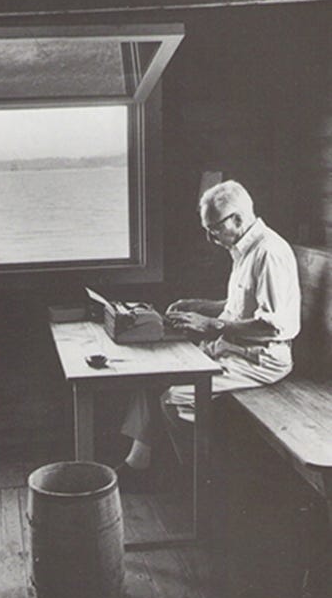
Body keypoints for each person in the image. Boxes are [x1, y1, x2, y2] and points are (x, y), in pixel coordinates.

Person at [116, 179, 301, 491]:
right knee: (152, 375)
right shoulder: (243, 248)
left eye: (213, 228)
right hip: (232, 346)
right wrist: (198, 305)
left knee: (174, 398)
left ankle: (199, 483)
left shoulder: (269, 253)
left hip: (262, 359)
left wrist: (210, 324)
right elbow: (239, 306)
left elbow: (272, 326)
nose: (209, 237)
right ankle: (139, 463)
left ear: (237, 219)